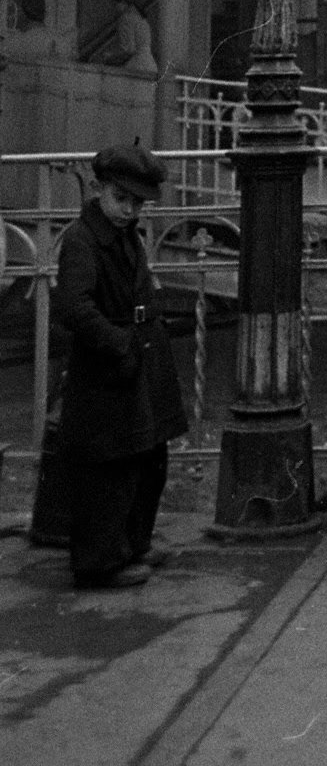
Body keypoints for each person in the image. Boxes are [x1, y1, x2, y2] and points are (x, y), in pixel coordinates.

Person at [54, 144, 187, 589]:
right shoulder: (82, 239)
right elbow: (74, 306)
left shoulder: (123, 234)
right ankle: (101, 560)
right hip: (109, 364)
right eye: (121, 198)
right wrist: (119, 344)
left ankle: (133, 542)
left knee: (147, 455)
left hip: (137, 355)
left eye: (137, 203)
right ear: (98, 189)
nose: (129, 210)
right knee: (108, 465)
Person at [104, 0, 157, 74]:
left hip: (136, 66)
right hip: (150, 64)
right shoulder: (141, 19)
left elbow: (128, 49)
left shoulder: (125, 19)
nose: (114, 9)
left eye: (115, 4)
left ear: (123, 3)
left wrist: (110, 57)